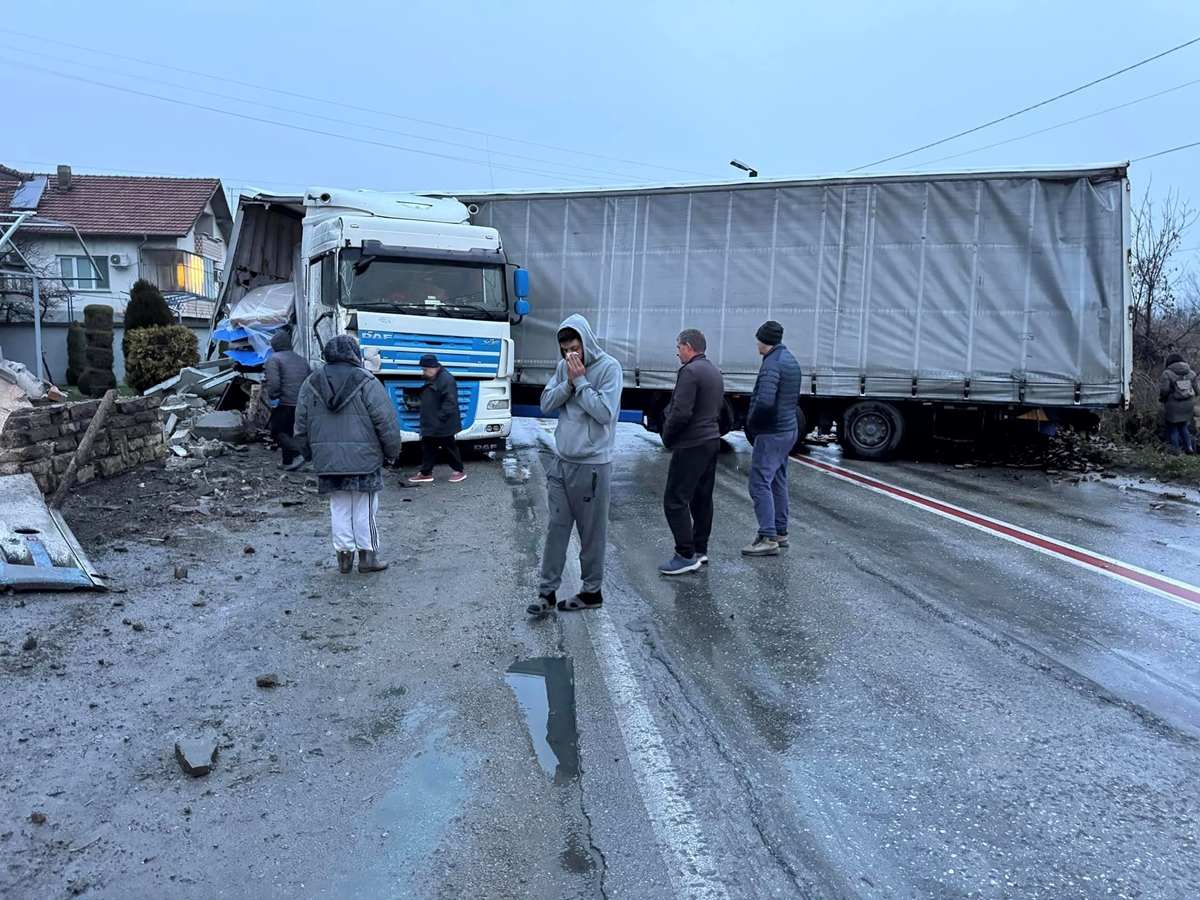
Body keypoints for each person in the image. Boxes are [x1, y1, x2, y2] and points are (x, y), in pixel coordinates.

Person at [526, 315, 622, 615]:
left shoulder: (609, 368)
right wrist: (568, 381)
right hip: (561, 463)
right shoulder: (563, 368)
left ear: (586, 342)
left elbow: (605, 413)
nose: (571, 355)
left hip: (592, 467)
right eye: (566, 349)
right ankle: (546, 592)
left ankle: (591, 591)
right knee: (556, 527)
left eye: (575, 348)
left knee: (591, 533)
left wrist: (580, 381)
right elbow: (546, 403)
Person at [295, 335, 402, 575]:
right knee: (364, 509)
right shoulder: (367, 381)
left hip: (328, 460)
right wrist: (392, 452)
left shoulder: (311, 382)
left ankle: (344, 559)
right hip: (365, 459)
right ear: (354, 353)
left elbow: (300, 425)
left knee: (339, 507)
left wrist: (310, 454)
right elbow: (386, 421)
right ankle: (368, 558)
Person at [658, 328, 725, 575]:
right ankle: (700, 549)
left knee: (675, 500)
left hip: (691, 444)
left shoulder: (689, 372)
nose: (677, 353)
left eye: (678, 348)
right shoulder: (714, 372)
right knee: (702, 498)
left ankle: (685, 555)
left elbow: (680, 412)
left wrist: (668, 437)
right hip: (711, 441)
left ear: (688, 346)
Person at [742, 320, 802, 557]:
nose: (756, 343)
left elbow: (765, 401)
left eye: (758, 338)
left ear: (763, 339)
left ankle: (767, 537)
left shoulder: (772, 365)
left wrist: (753, 424)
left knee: (759, 482)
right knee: (777, 480)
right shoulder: (789, 360)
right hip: (787, 429)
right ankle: (780, 532)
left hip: (772, 431)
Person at [409, 353, 466, 484]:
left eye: (425, 369)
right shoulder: (435, 377)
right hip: (433, 421)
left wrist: (439, 418)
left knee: (449, 446)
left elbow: (450, 402)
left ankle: (459, 470)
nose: (423, 372)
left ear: (433, 367)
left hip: (442, 422)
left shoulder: (446, 379)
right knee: (428, 446)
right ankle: (425, 472)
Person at [263, 329, 312, 471]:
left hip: (285, 402)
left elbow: (273, 381)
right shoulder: (301, 359)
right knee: (290, 432)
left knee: (277, 432)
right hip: (302, 403)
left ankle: (300, 453)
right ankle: (288, 462)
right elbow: (309, 380)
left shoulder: (275, 358)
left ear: (275, 345)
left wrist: (274, 398)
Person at [1160, 352, 1198, 454]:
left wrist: (1162, 398)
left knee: (1172, 428)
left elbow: (1164, 390)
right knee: (1183, 426)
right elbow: (1197, 390)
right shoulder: (1191, 373)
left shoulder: (1167, 373)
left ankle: (1176, 451)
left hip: (1173, 404)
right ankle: (1189, 448)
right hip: (1187, 404)